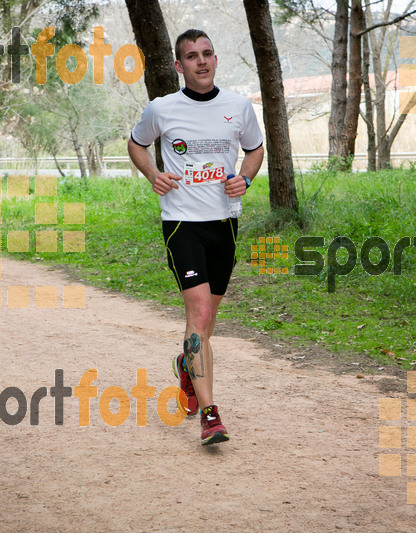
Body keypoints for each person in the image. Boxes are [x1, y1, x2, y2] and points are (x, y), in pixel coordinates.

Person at [127, 29, 264, 446]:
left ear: (215, 59)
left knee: (205, 326)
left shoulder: (239, 106)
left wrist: (245, 177)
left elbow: (255, 150)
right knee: (199, 315)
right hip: (183, 224)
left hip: (224, 224)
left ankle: (188, 367)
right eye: (191, 56)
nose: (201, 61)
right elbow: (136, 144)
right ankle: (210, 415)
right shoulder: (162, 108)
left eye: (207, 53)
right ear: (178, 65)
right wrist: (153, 174)